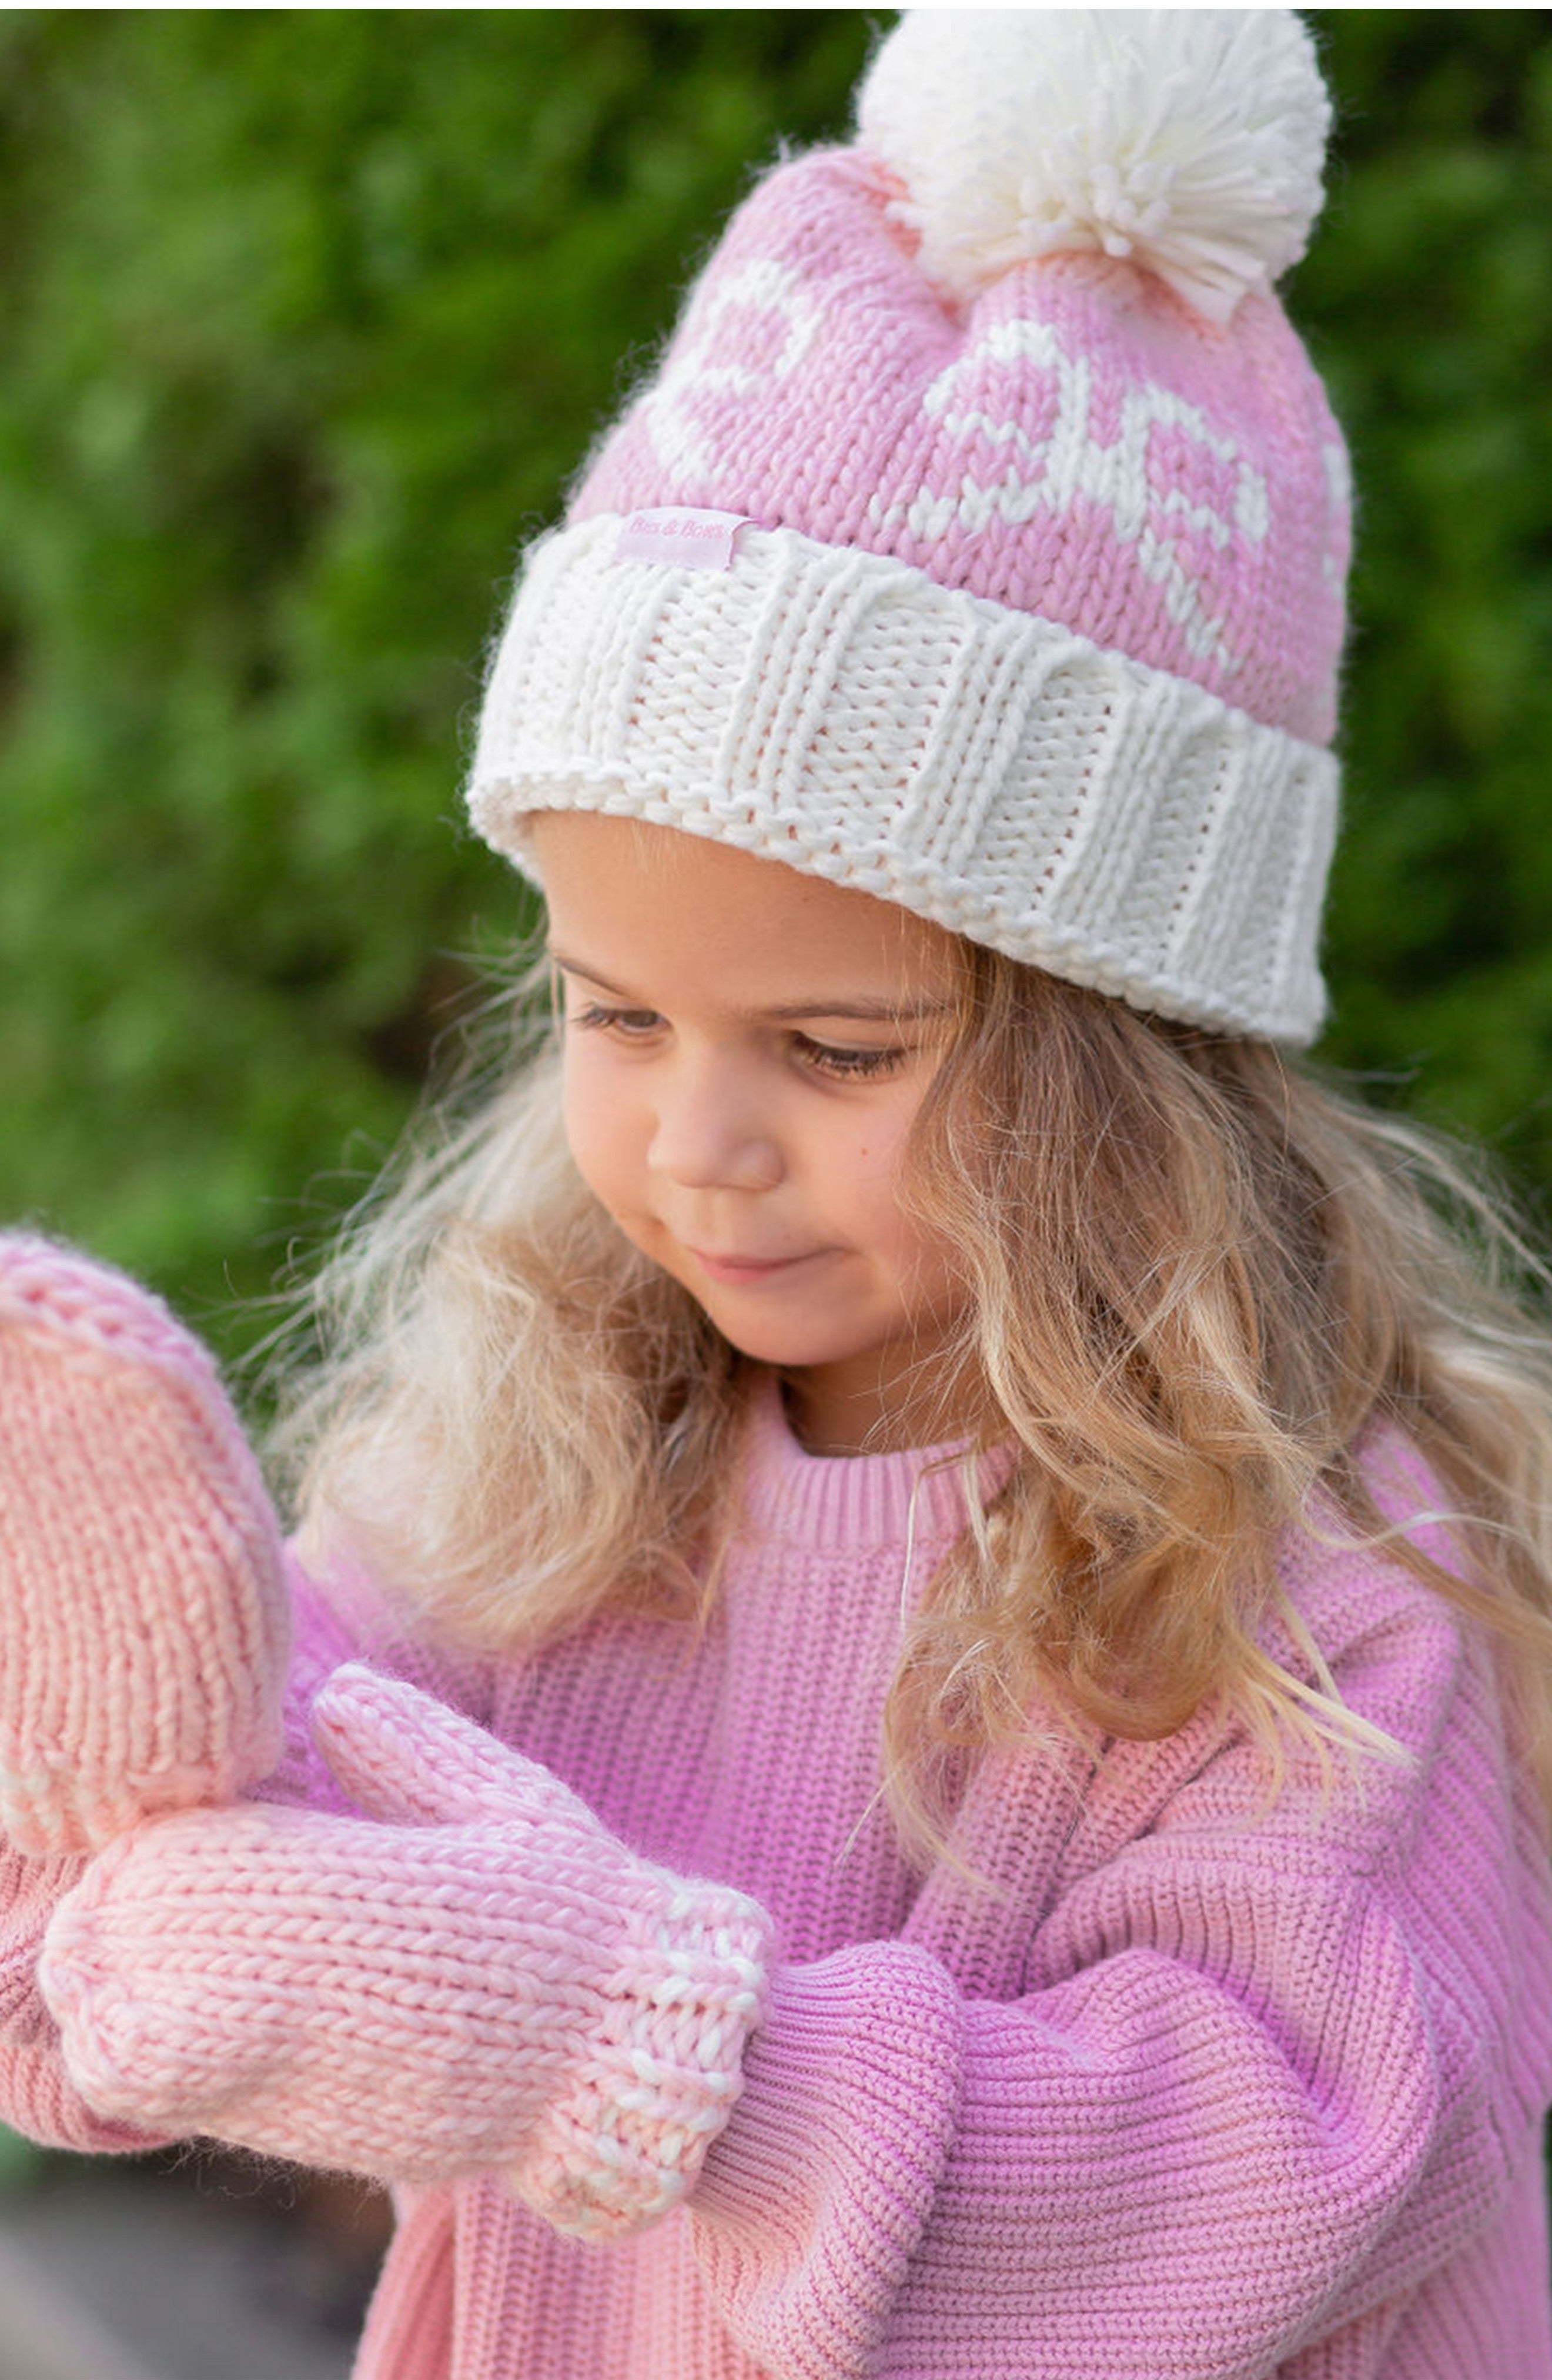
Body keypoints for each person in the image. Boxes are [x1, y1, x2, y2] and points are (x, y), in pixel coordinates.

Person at [2, 10, 1551, 2375]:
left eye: (834, 1049)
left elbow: (1287, 2157)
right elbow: (254, 1834)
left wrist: (630, 2054)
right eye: (616, 1013)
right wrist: (117, 1840)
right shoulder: (552, 1465)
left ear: (1136, 1056)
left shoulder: (1319, 1580)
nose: (694, 1143)